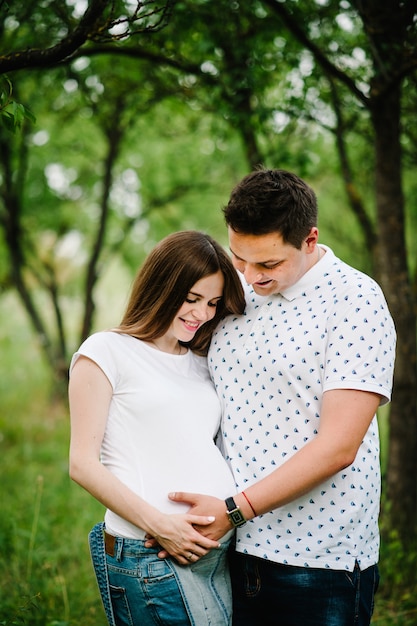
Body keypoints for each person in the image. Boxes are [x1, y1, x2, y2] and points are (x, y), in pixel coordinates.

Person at [167, 169, 396, 626]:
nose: (250, 277)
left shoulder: (354, 300)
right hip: (227, 549)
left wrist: (233, 511)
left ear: (309, 240)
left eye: (268, 265)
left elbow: (338, 447)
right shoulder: (234, 292)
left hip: (315, 561)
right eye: (239, 258)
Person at [68, 230, 246, 626]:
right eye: (192, 299)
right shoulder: (106, 351)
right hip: (152, 554)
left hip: (217, 556)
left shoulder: (201, 360)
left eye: (213, 303)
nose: (203, 314)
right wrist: (162, 525)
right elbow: (82, 463)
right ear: (163, 285)